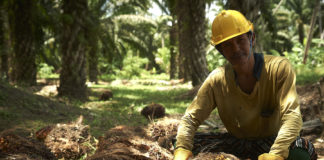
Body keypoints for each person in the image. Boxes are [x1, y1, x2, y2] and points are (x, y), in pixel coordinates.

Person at [173, 10, 317, 160]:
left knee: (301, 151)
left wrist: (276, 154)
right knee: (180, 142)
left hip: (273, 141)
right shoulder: (217, 80)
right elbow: (190, 118)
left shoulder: (278, 69)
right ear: (221, 50)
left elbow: (292, 116)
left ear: (252, 39)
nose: (235, 49)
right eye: (227, 45)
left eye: (240, 40)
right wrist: (182, 148)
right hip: (237, 143)